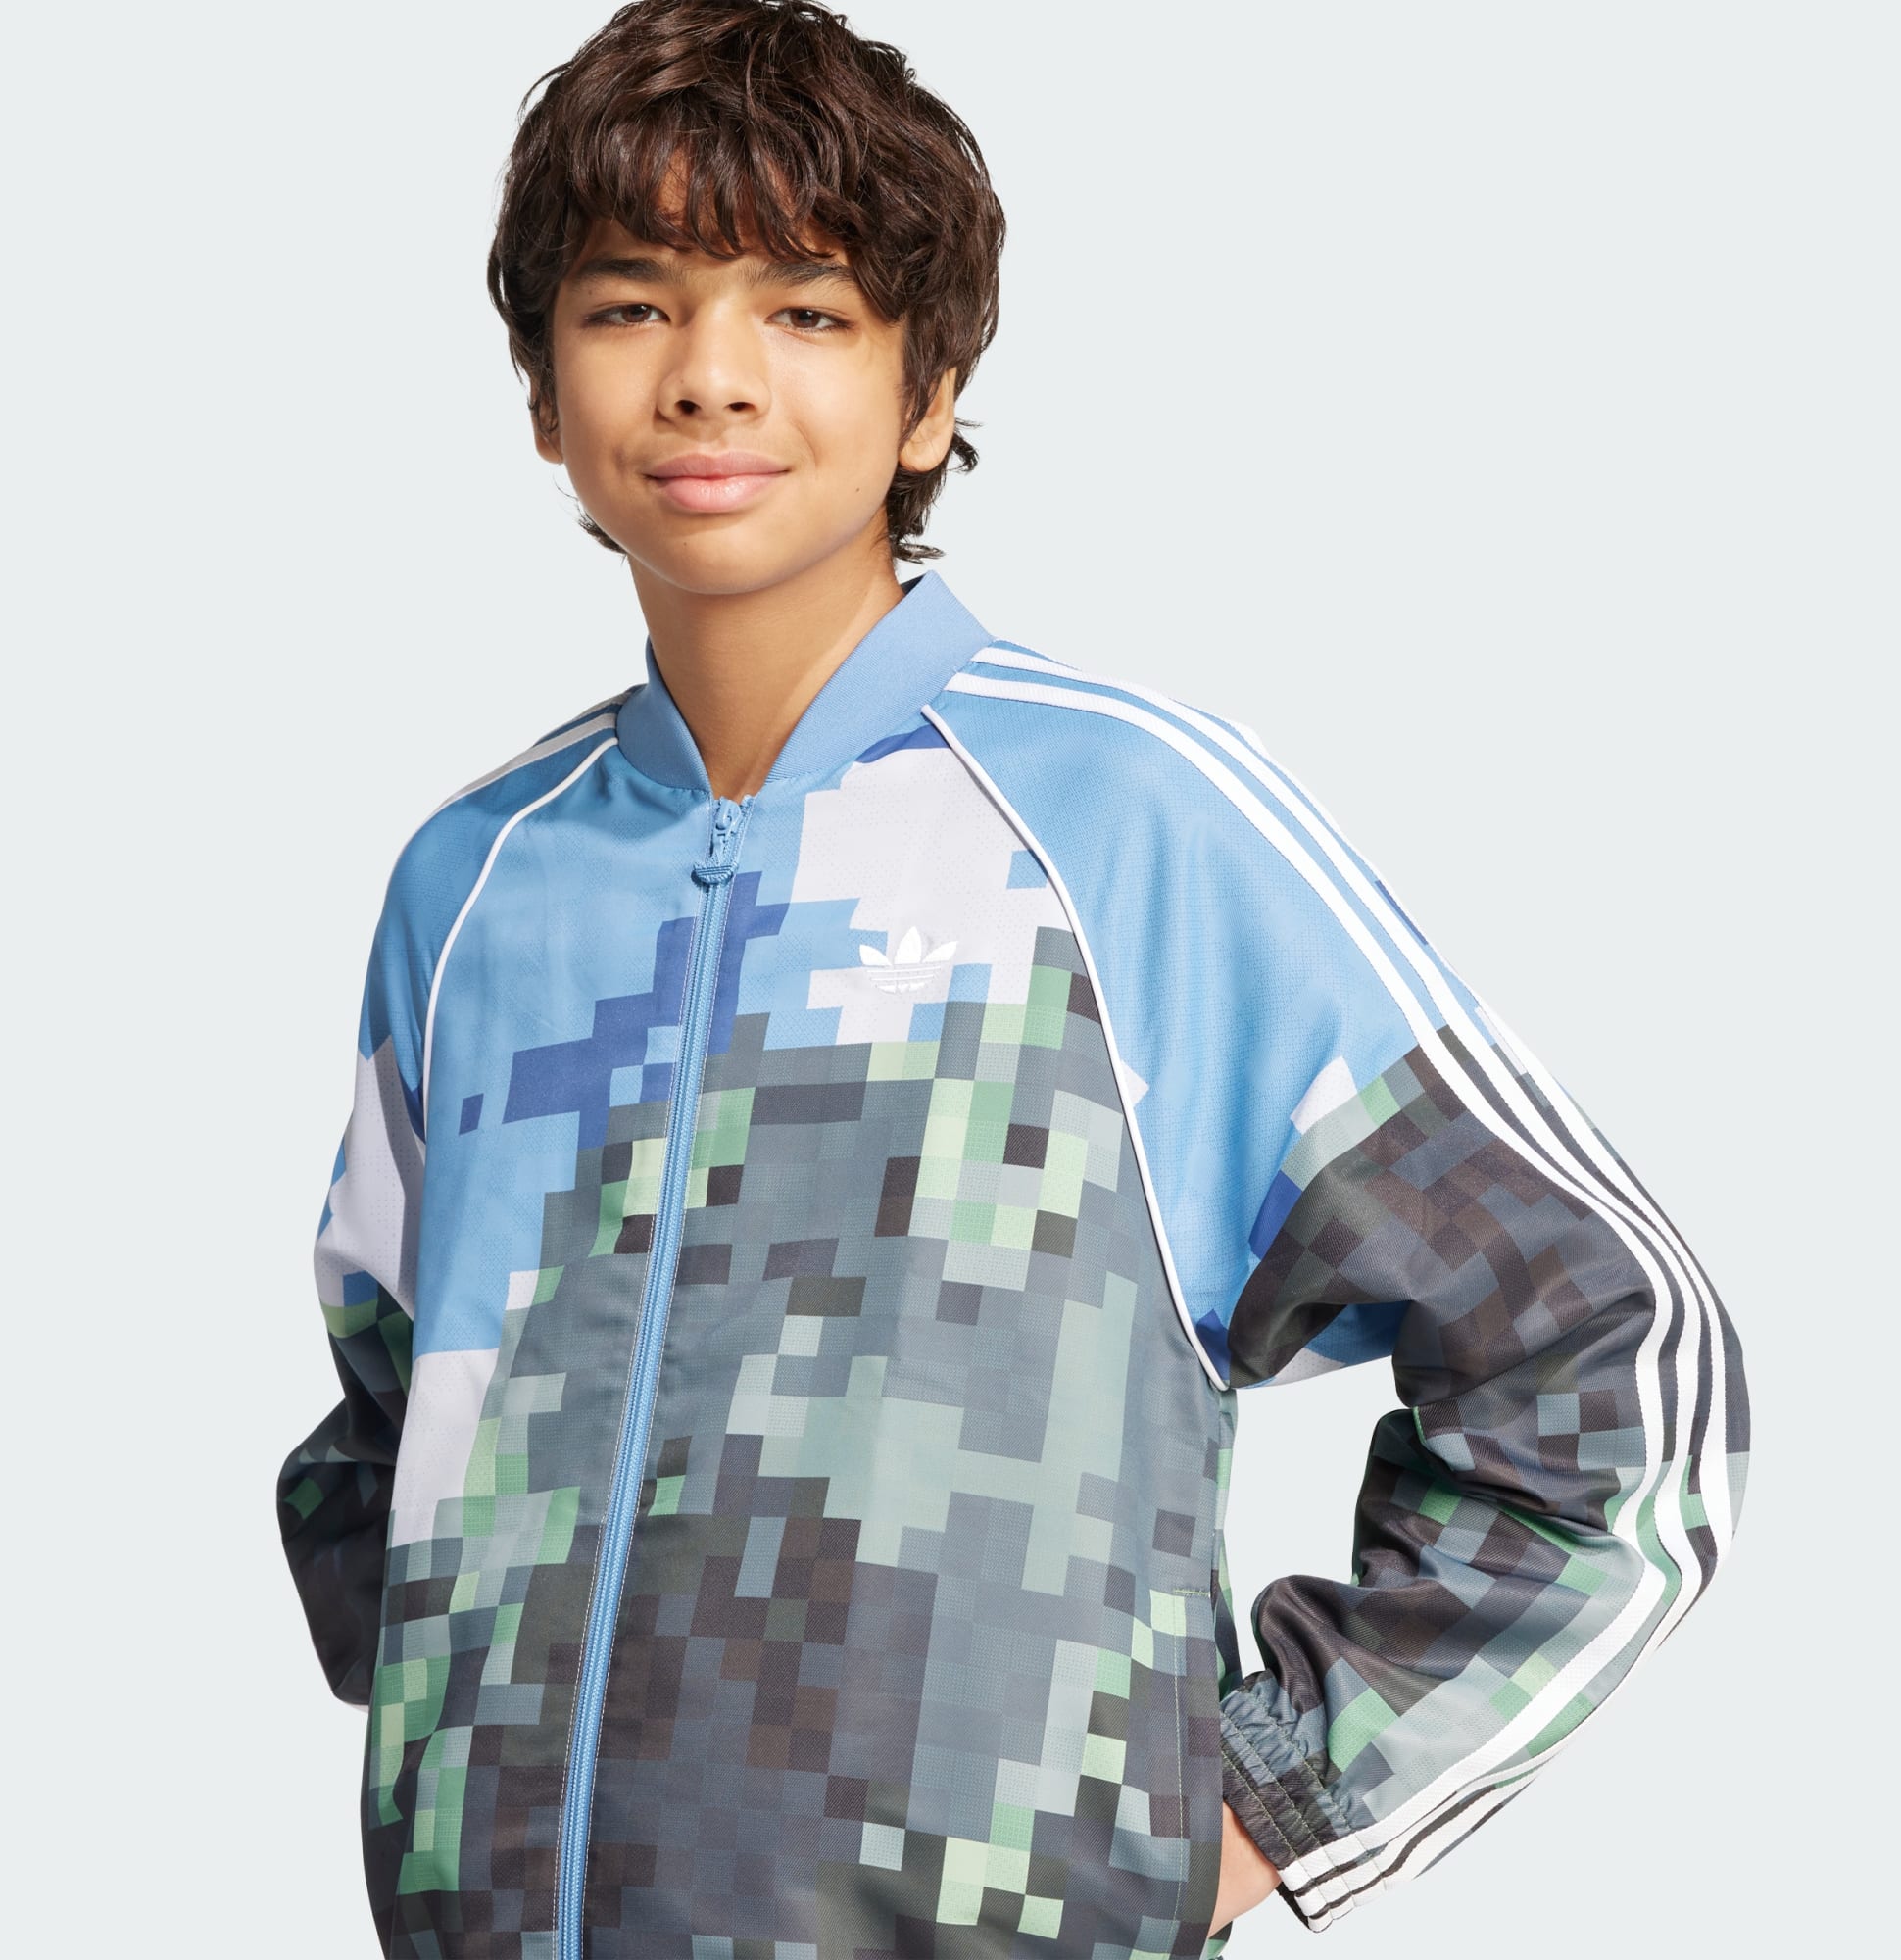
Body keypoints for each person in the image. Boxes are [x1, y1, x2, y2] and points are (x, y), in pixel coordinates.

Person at [274, 4, 1750, 1955]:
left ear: (928, 393)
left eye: (805, 309)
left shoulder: (1129, 824)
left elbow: (1608, 1357)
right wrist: (464, 1757)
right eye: (631, 305)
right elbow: (385, 1418)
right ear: (545, 393)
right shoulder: (475, 879)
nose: (710, 373)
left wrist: (1260, 1803)